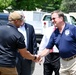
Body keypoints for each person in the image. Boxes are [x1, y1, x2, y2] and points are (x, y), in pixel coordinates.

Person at [38, 10, 76, 75]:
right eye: (51, 19)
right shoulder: (55, 33)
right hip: (63, 63)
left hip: (74, 61)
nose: (52, 21)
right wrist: (39, 56)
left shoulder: (72, 28)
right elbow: (48, 49)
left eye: (54, 18)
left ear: (61, 18)